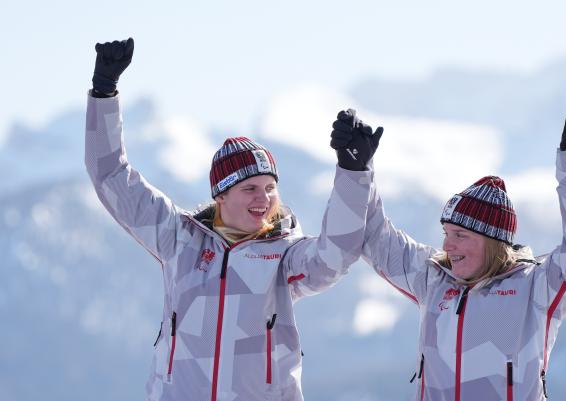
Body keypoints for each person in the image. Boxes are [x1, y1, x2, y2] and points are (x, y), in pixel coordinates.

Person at [85, 38, 374, 401]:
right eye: (250, 188)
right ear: (220, 196)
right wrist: (104, 94)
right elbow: (111, 177)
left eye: (270, 187)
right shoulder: (178, 239)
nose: (264, 198)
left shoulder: (284, 256)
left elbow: (335, 258)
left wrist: (352, 173)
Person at [330, 112, 566, 401]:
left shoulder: (536, 287)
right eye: (446, 233)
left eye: (461, 236)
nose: (448, 246)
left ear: (494, 242)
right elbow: (375, 238)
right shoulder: (434, 280)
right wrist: (356, 171)